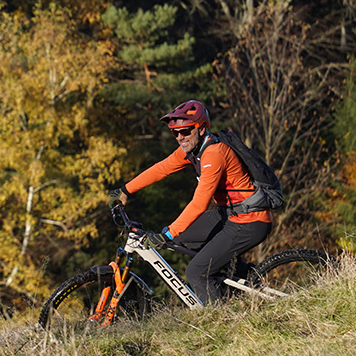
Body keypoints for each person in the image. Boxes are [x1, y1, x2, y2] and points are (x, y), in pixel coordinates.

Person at [109, 100, 272, 303]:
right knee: (181, 239)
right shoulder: (194, 150)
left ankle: (222, 320)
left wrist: (167, 234)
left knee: (196, 272)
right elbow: (162, 168)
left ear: (201, 129)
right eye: (175, 133)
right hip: (229, 214)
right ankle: (240, 275)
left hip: (249, 221)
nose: (179, 137)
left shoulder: (214, 153)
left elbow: (199, 203)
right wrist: (125, 190)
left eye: (185, 131)